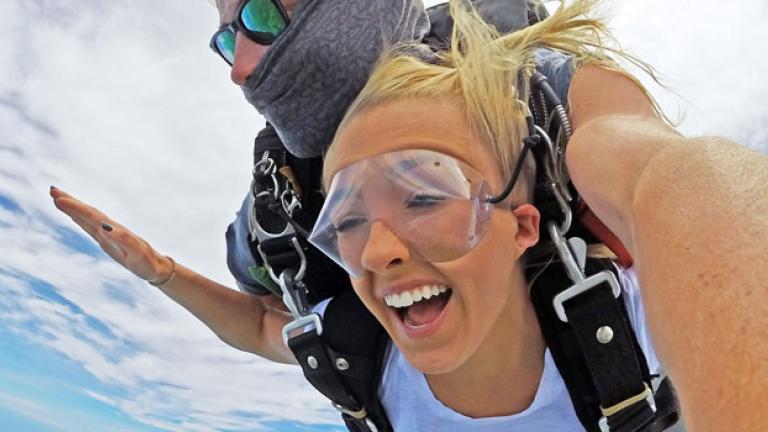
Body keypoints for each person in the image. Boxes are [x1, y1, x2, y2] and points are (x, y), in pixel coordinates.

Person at [304, 0, 768, 431]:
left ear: (522, 227)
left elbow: (687, 180)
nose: (377, 251)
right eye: (347, 222)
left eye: (424, 198)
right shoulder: (354, 345)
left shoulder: (627, 319)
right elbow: (262, 327)